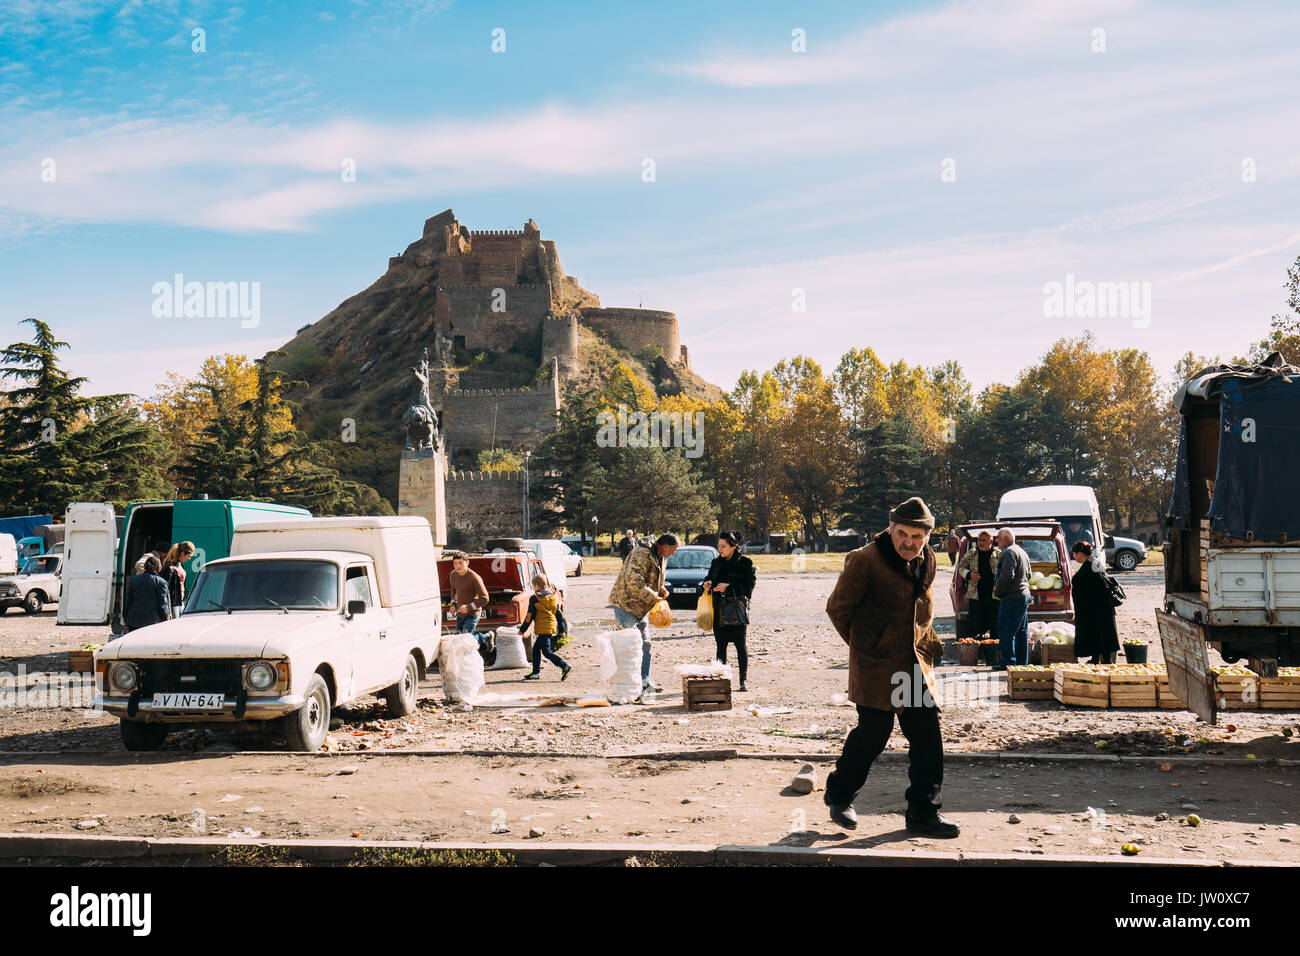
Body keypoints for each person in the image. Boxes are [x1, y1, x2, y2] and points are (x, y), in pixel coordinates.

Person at [823, 497, 958, 838]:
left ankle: (923, 813)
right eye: (902, 534)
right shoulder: (865, 560)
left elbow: (921, 612)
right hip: (876, 667)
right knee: (873, 735)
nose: (909, 542)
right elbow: (838, 609)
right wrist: (867, 647)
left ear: (928, 537)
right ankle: (839, 796)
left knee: (928, 739)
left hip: (913, 666)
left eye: (917, 536)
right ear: (890, 529)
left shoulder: (927, 561)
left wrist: (929, 645)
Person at [608, 532, 679, 696]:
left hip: (642, 606)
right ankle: (626, 685)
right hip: (625, 604)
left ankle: (645, 681)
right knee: (629, 645)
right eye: (673, 549)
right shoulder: (641, 553)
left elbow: (652, 578)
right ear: (664, 546)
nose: (674, 553)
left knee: (645, 644)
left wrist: (660, 589)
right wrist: (654, 597)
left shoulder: (662, 556)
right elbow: (634, 581)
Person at [703, 530, 757, 691]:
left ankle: (743, 680)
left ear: (733, 547)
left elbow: (749, 586)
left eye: (723, 546)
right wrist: (707, 584)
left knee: (740, 645)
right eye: (719, 546)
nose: (720, 549)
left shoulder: (745, 563)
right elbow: (709, 578)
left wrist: (730, 585)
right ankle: (723, 679)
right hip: (718, 609)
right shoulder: (716, 563)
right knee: (721, 645)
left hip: (736, 609)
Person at [1070, 540, 1119, 664]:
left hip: (1095, 608)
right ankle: (1096, 658)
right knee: (1099, 633)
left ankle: (1105, 660)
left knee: (1098, 632)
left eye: (1075, 554)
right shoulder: (1095, 562)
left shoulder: (1090, 565)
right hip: (1099, 607)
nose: (1074, 557)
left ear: (1080, 553)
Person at [993, 527, 1031, 669]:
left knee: (1006, 631)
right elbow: (1029, 575)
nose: (996, 540)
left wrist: (997, 588)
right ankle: (1021, 664)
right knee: (1021, 632)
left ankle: (1008, 663)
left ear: (1006, 538)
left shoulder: (1009, 552)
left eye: (998, 537)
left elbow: (1008, 575)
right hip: (1023, 594)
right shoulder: (1021, 551)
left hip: (1012, 597)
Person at [521, 573, 571, 681]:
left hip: (543, 628)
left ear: (537, 586)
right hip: (550, 627)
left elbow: (530, 616)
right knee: (536, 650)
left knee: (546, 652)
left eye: (533, 586)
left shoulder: (534, 599)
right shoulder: (552, 597)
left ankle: (564, 666)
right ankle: (535, 673)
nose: (533, 588)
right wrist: (562, 629)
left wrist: (522, 630)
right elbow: (559, 615)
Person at [955, 531, 1001, 638]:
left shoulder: (999, 554)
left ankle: (994, 649)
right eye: (979, 540)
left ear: (991, 541)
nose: (980, 543)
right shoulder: (972, 552)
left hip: (994, 596)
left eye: (983, 540)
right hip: (976, 596)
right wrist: (969, 574)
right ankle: (976, 649)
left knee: (995, 625)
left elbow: (1005, 572)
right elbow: (960, 567)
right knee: (975, 626)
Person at [447, 551, 490, 641]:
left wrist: (469, 607)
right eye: (455, 563)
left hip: (472, 614)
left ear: (467, 562)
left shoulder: (474, 577)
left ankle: (486, 637)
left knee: (464, 640)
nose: (457, 566)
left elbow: (485, 598)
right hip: (460, 614)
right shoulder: (453, 575)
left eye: (460, 563)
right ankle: (483, 643)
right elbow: (453, 591)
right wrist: (453, 605)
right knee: (459, 639)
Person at [122, 554, 171, 632]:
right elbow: (163, 604)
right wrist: (166, 620)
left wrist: (126, 619)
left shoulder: (134, 579)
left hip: (133, 621)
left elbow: (129, 601)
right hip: (152, 622)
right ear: (158, 567)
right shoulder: (161, 582)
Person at [159, 541, 195, 618]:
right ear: (182, 553)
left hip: (180, 602)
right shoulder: (169, 567)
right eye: (189, 556)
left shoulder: (180, 566)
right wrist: (168, 609)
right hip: (173, 604)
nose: (189, 558)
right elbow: (165, 589)